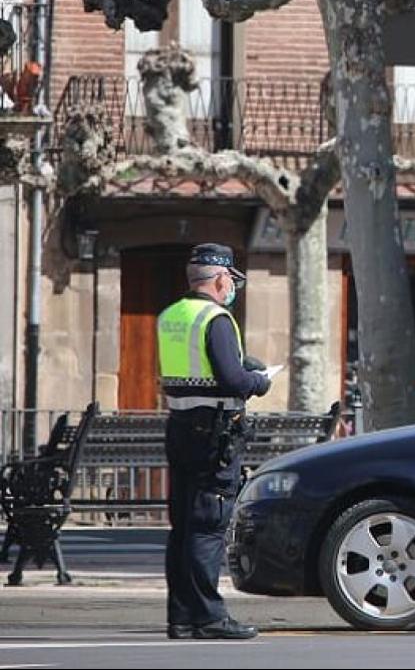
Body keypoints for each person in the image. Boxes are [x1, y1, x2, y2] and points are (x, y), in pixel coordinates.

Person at [157, 244, 271, 640]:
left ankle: (181, 616)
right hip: (214, 434)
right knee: (208, 525)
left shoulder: (171, 315)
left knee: (184, 526)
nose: (231, 288)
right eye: (231, 281)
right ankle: (209, 617)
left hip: (181, 426)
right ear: (221, 279)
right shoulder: (216, 318)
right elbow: (233, 380)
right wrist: (260, 380)